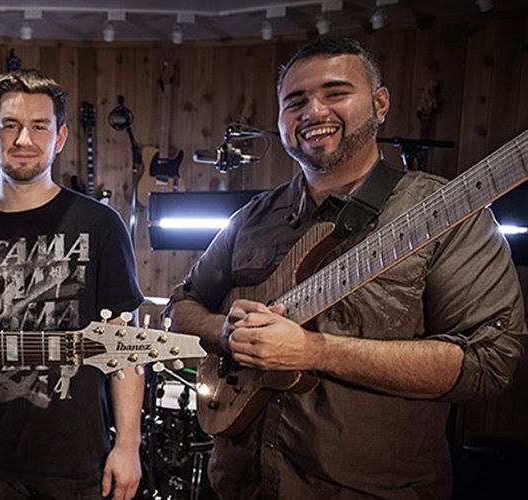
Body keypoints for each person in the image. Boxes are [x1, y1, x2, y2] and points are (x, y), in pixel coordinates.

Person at [165, 37, 526, 499]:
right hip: (240, 486)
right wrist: (231, 334)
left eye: (335, 93)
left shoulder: (447, 213)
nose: (313, 112)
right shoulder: (253, 217)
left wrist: (314, 351)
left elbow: (487, 363)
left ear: (379, 104)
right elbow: (180, 306)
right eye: (295, 101)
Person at [0, 69, 145, 500]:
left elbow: (127, 344)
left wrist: (128, 445)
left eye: (39, 126)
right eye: (10, 125)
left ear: (60, 136)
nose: (23, 139)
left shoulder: (101, 226)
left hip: (78, 463)